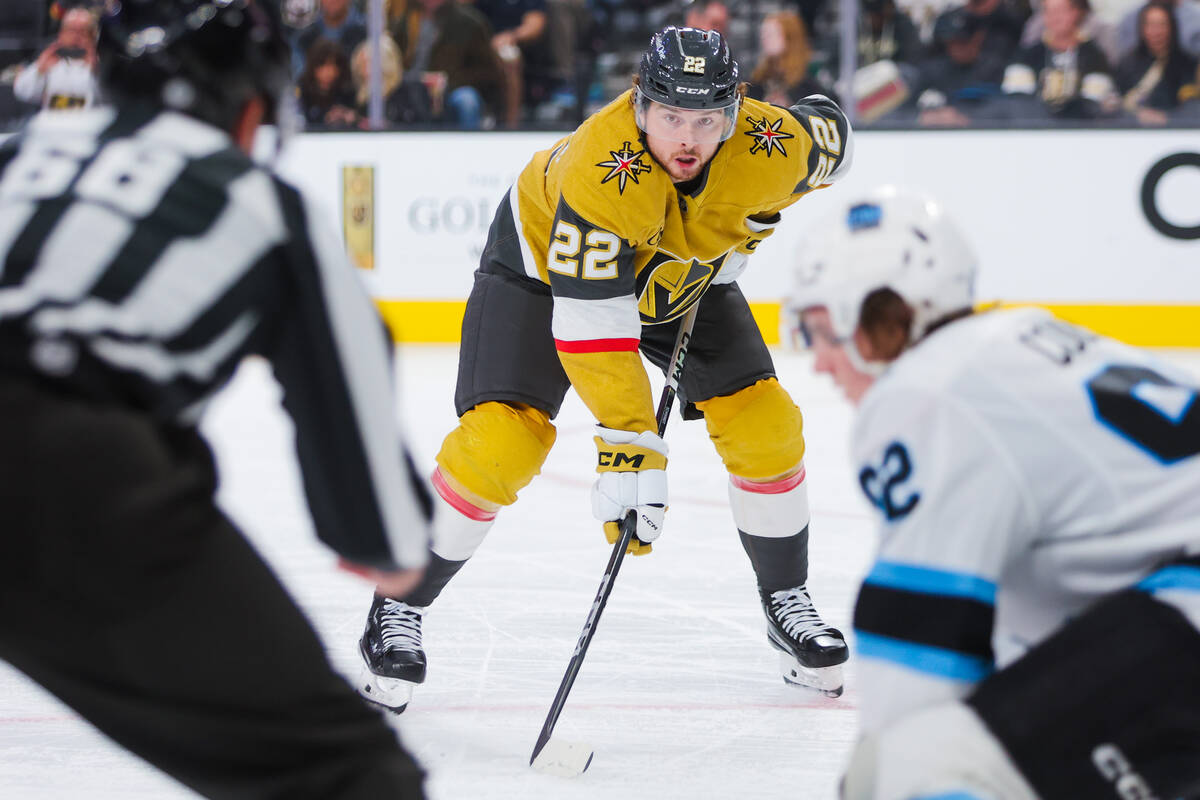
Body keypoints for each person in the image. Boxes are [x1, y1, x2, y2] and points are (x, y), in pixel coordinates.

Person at [353, 25, 853, 715]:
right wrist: (629, 453)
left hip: (679, 275)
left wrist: (789, 176)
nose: (687, 138)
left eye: (707, 120)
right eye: (671, 116)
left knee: (767, 425)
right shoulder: (600, 170)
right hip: (541, 275)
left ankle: (784, 599)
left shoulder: (771, 148)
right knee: (503, 441)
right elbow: (594, 327)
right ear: (640, 105)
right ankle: (398, 604)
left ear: (736, 113)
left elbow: (831, 135)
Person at [0, 1, 433, 797]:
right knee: (355, 776)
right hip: (74, 469)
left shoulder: (20, 149)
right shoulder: (268, 207)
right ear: (254, 105)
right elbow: (377, 530)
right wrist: (390, 544)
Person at [787, 187, 1200, 799]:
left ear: (880, 314)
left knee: (914, 768)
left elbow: (917, 641)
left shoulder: (925, 393)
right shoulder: (1015, 340)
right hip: (1173, 609)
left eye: (821, 330)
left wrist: (886, 776)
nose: (818, 363)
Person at [1002, 0, 1117, 119]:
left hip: (1080, 132)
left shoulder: (1094, 57)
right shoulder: (1026, 55)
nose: (1055, 17)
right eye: (1048, 11)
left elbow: (1094, 102)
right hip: (1034, 130)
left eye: (1061, 11)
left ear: (1077, 12)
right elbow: (1017, 100)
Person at [1115, 0, 1199, 123]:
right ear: (1142, 28)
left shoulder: (1186, 63)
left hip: (1172, 132)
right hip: (1129, 131)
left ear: (1172, 27)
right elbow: (1113, 104)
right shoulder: (1127, 62)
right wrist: (1135, 116)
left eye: (1162, 25)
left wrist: (1167, 118)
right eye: (1150, 25)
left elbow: (1192, 106)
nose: (1156, 32)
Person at [12, 6, 100, 110]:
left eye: (82, 31)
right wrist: (39, 69)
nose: (76, 36)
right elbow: (22, 93)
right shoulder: (49, 60)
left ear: (93, 35)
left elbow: (111, 102)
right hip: (51, 122)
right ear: (61, 33)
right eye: (71, 30)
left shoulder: (101, 64)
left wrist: (96, 72)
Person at [748, 11, 837, 107]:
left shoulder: (809, 81)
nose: (764, 38)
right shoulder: (758, 79)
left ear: (789, 37)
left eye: (771, 34)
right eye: (763, 34)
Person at [297, 37, 359, 129]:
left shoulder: (348, 91)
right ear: (314, 66)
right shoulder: (302, 90)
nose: (329, 71)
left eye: (334, 65)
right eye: (323, 65)